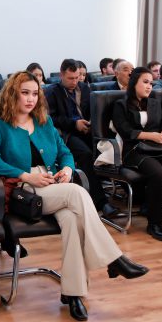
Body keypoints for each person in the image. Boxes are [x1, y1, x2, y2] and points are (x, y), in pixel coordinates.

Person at [0, 71, 148, 322]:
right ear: (12, 94)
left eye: (34, 93)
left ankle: (73, 293)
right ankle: (114, 258)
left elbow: (65, 152)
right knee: (77, 192)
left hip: (53, 185)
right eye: (24, 93)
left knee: (72, 220)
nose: (30, 99)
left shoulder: (44, 121)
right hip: (23, 190)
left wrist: (68, 169)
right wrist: (27, 176)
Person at [112, 67, 162, 241]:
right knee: (158, 174)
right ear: (134, 83)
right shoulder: (121, 104)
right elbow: (126, 131)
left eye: (151, 83)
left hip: (158, 149)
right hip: (134, 150)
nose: (149, 86)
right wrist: (152, 136)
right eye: (145, 82)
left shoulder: (154, 103)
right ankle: (155, 223)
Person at [44, 59, 118, 217]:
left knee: (110, 146)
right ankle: (101, 202)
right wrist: (74, 124)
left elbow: (94, 110)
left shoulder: (84, 88)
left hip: (87, 130)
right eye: (70, 78)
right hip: (67, 134)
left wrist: (90, 122)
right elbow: (51, 119)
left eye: (77, 77)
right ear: (61, 75)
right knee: (85, 154)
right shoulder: (51, 92)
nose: (74, 81)